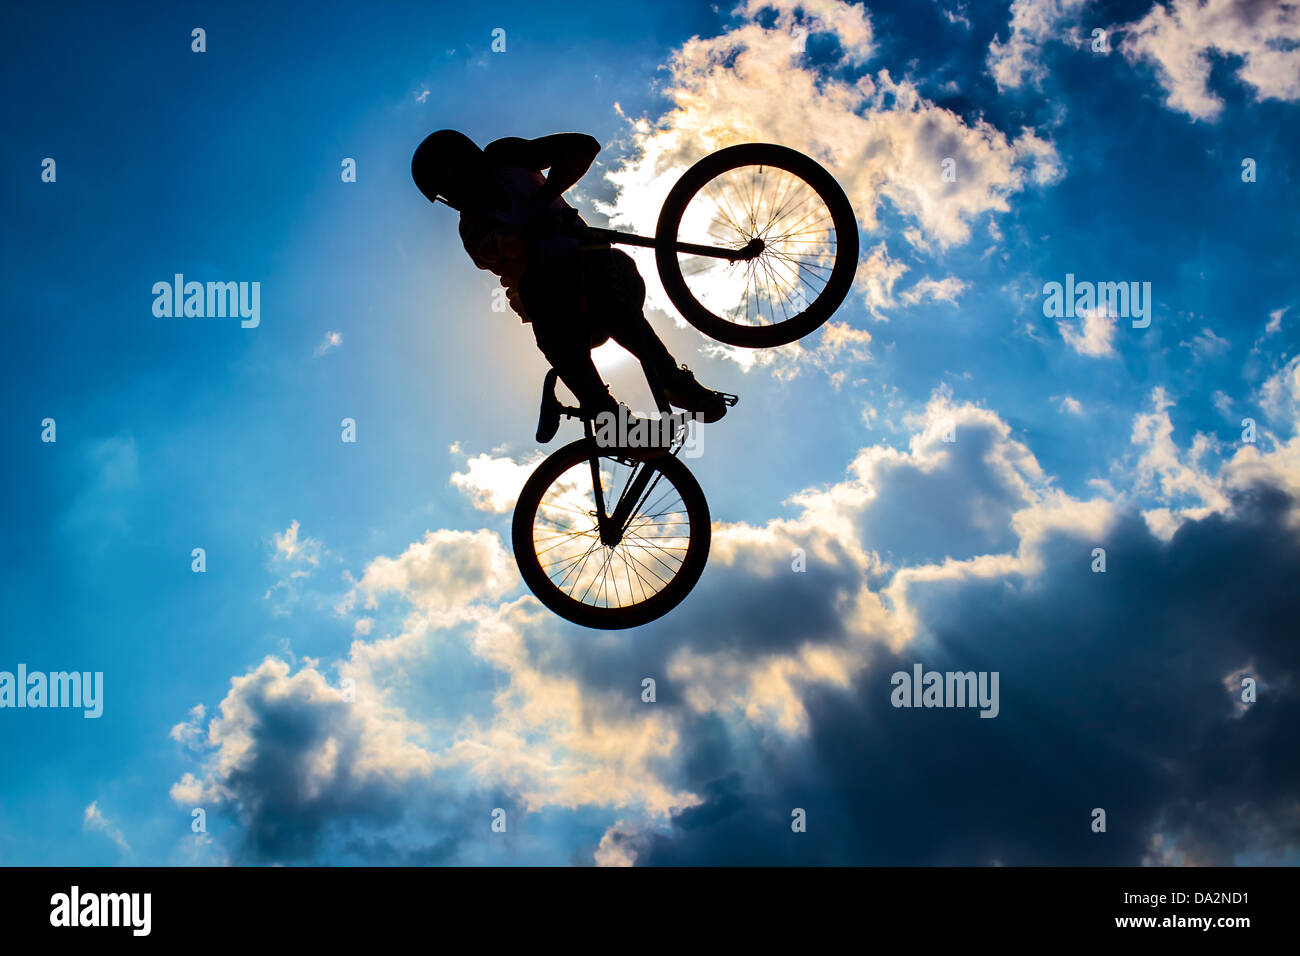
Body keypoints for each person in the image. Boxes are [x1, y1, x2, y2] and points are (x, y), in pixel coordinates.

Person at [411, 129, 730, 425]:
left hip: (610, 282)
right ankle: (605, 413)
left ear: (462, 166)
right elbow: (495, 248)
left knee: (600, 266)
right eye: (446, 195)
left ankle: (670, 379)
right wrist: (527, 232)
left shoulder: (506, 157)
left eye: (449, 188)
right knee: (541, 287)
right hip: (564, 318)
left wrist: (543, 198)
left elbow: (583, 147)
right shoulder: (472, 228)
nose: (454, 200)